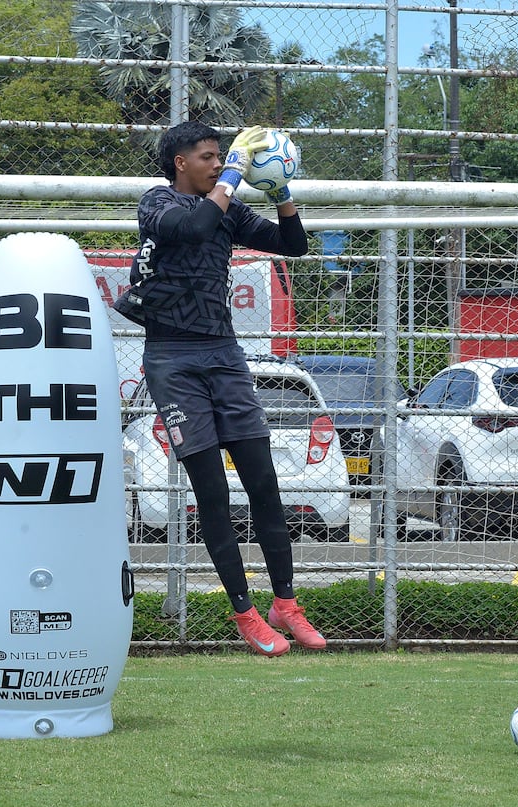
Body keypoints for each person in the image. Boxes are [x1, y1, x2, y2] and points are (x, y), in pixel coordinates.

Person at [120, 120, 323, 657]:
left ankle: (285, 604)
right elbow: (193, 227)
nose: (218, 163)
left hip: (224, 355)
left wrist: (282, 194)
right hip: (173, 361)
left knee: (264, 484)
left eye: (221, 156)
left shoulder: (226, 208)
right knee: (211, 494)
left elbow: (293, 245)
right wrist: (234, 173)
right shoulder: (158, 203)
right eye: (207, 156)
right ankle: (246, 614)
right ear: (180, 162)